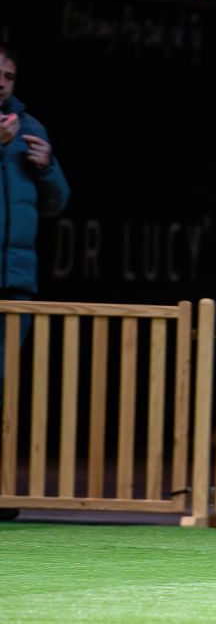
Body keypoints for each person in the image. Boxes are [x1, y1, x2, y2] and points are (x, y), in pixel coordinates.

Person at [0, 43, 70, 521]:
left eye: (7, 75)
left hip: (16, 281)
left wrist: (46, 168)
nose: (1, 83)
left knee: (2, 388)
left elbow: (57, 202)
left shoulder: (30, 128)